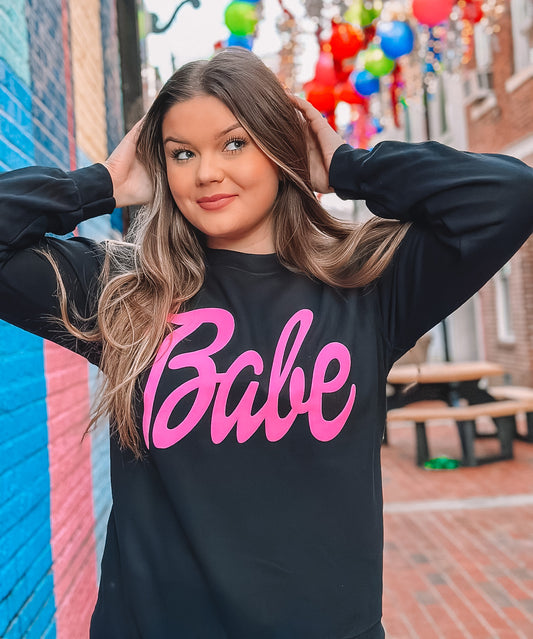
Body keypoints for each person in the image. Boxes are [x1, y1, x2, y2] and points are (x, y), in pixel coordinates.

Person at [1, 47, 532, 639]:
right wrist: (98, 185)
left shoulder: (365, 285)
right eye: (182, 153)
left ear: (281, 151)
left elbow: (507, 195)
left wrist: (352, 168)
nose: (206, 173)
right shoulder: (124, 296)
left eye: (235, 144)